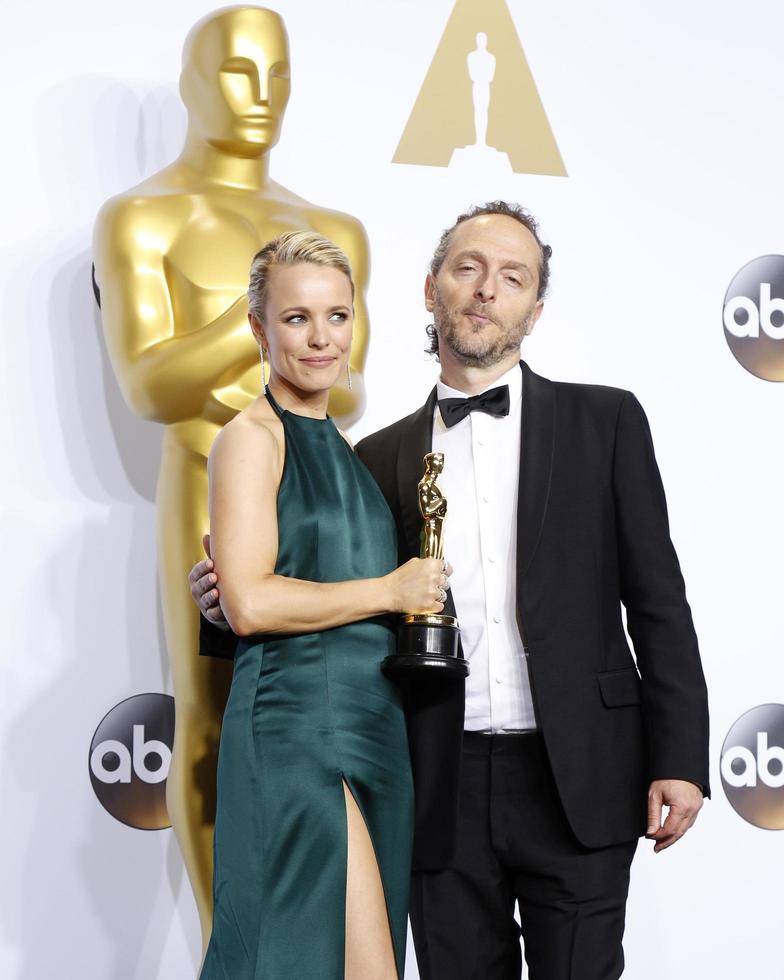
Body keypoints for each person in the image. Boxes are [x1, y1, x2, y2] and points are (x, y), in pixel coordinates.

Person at [194, 202, 710, 980]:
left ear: (534, 311)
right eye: (467, 268)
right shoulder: (375, 455)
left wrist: (681, 756)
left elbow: (659, 599)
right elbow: (327, 587)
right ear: (430, 287)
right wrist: (225, 607)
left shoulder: (605, 422)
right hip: (435, 774)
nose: (485, 290)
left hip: (580, 774)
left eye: (512, 277)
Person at [198, 230, 450, 980]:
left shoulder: (350, 448)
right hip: (294, 730)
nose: (321, 338)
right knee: (302, 958)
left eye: (337, 316)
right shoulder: (251, 438)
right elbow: (248, 602)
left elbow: (258, 585)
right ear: (258, 329)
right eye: (297, 318)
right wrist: (390, 591)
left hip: (374, 729)